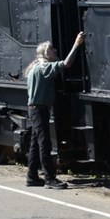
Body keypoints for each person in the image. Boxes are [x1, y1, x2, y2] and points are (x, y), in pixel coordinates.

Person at [25, 32, 85, 188]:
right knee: (44, 143)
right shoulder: (44, 67)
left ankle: (31, 177)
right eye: (52, 49)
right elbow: (66, 64)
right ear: (46, 53)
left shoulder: (35, 68)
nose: (56, 50)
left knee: (35, 144)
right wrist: (77, 44)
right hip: (39, 110)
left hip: (34, 109)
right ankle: (50, 179)